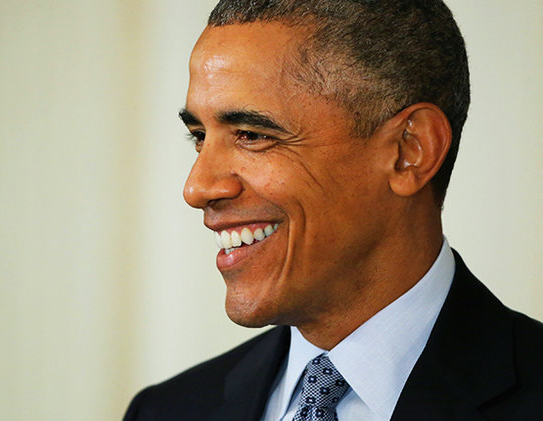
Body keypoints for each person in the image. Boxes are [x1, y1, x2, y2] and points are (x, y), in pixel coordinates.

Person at [124, 1, 543, 419]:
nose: (197, 188)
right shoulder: (165, 410)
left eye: (251, 134)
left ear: (408, 151)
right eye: (198, 135)